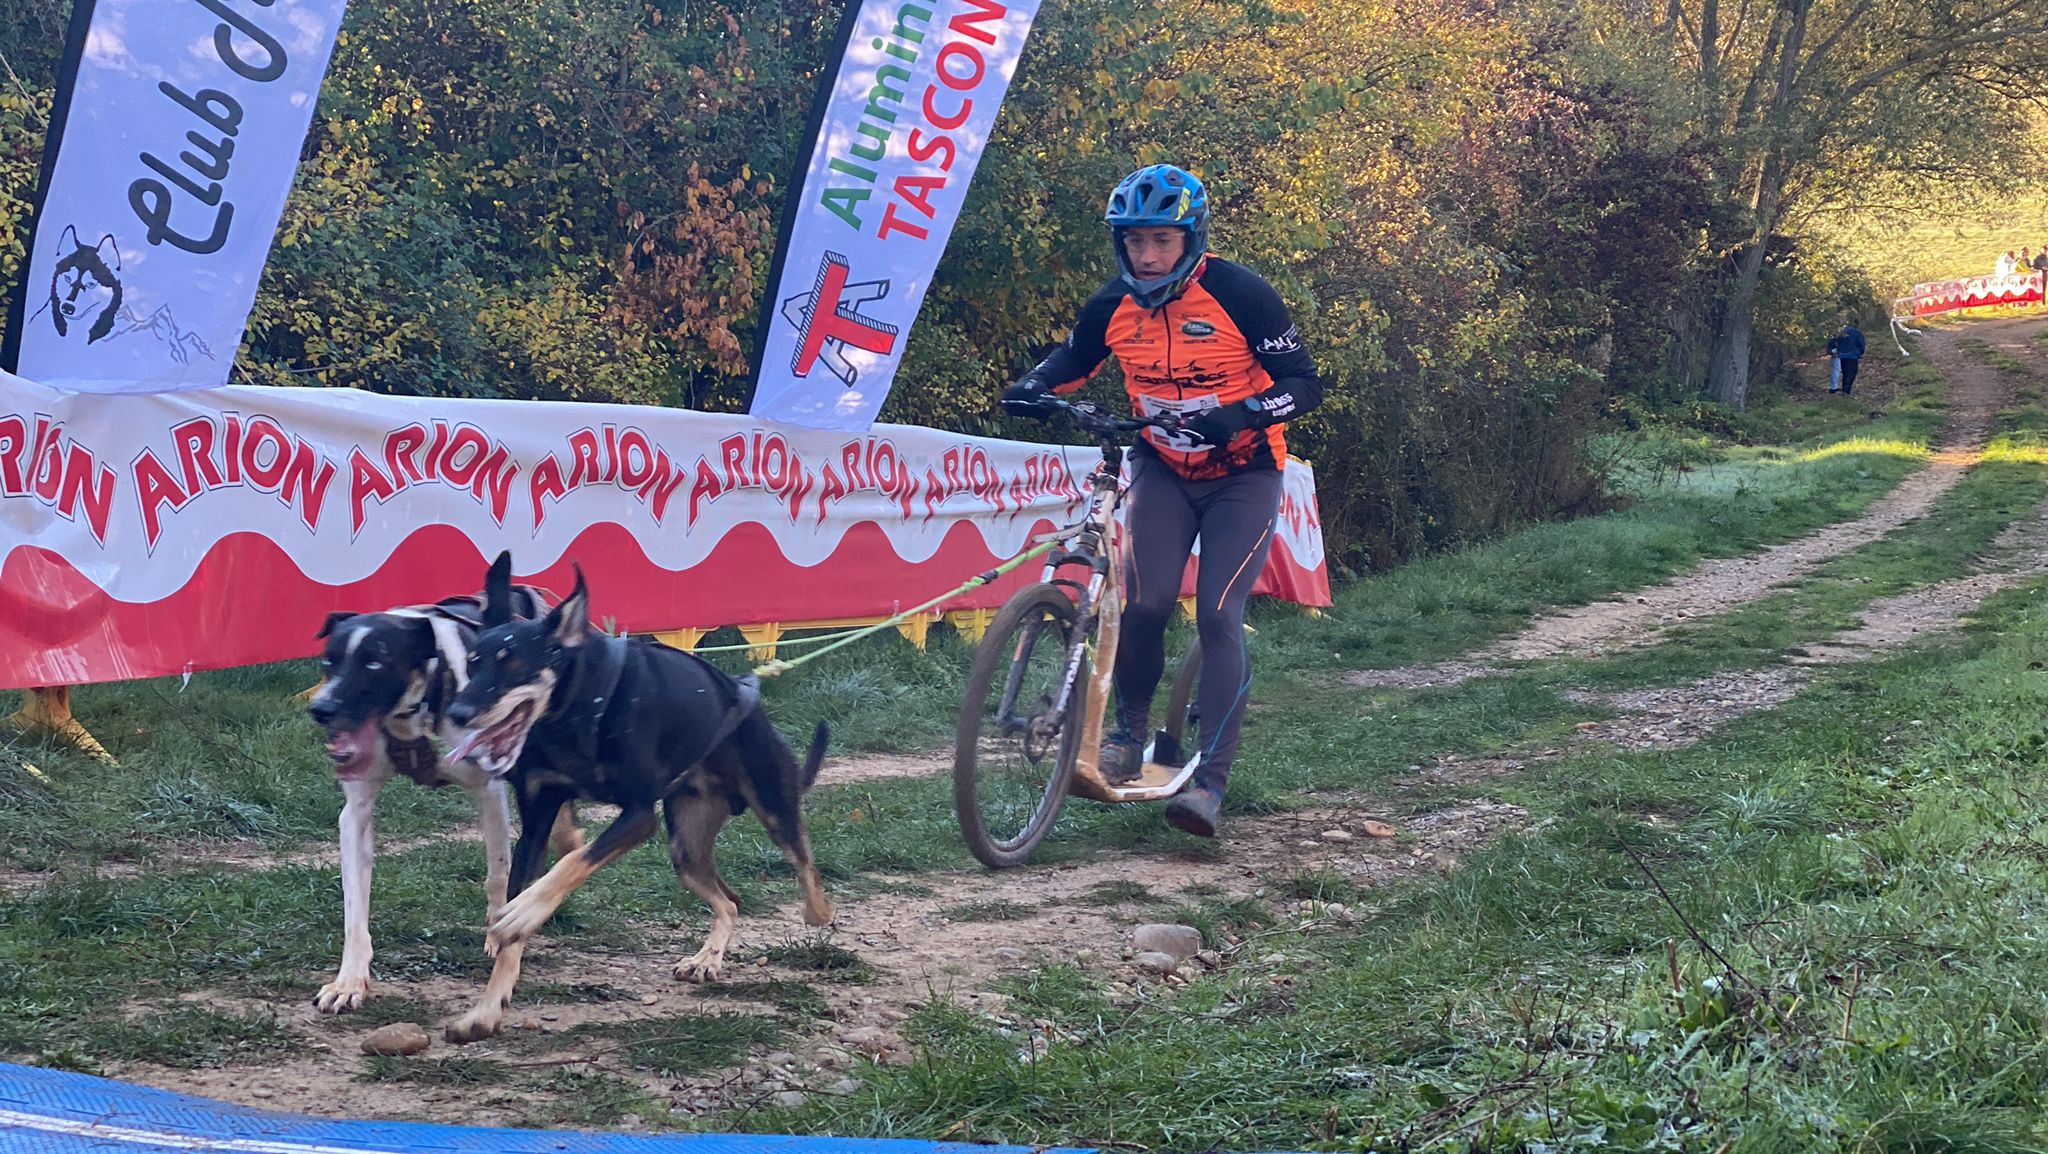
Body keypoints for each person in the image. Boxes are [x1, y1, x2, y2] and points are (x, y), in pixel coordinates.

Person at [1001, 163, 1323, 838]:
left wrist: (1244, 414)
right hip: (1163, 467)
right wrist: (1032, 386)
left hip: (1244, 474)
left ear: (1190, 238)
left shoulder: (1242, 295)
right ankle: (1126, 734)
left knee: (1216, 611)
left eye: (1160, 241)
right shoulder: (1111, 304)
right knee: (1143, 603)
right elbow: (1071, 360)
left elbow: (1304, 381)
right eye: (1132, 241)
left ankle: (1209, 784)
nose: (1144, 255)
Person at [1833, 319, 1865, 396]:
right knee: (1851, 374)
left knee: (1845, 374)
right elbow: (1861, 345)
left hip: (1842, 356)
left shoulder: (1842, 332)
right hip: (1853, 356)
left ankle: (1845, 391)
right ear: (1856, 324)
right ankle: (1846, 392)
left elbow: (1835, 342)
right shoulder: (1857, 333)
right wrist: (1860, 353)